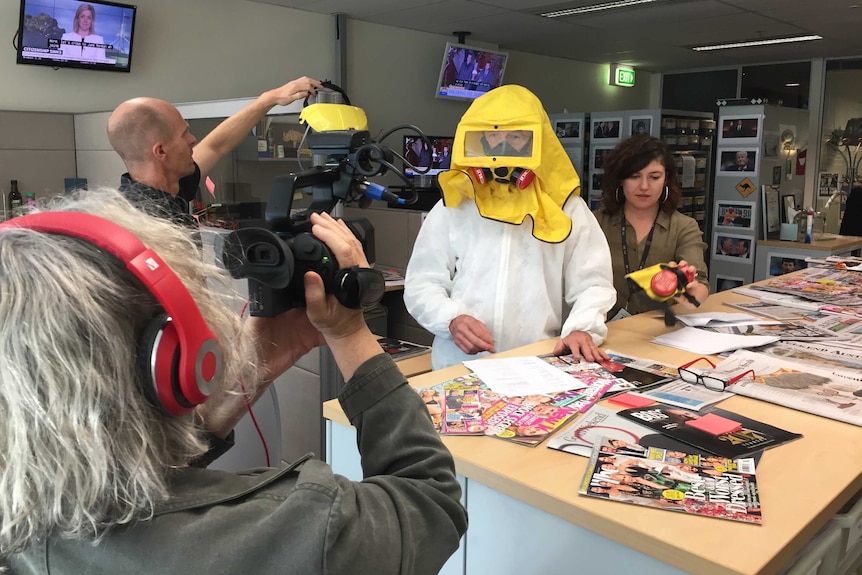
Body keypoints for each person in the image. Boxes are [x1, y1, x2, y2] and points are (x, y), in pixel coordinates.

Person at [0, 188, 468, 573]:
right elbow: (430, 504)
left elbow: (126, 472)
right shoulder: (300, 531)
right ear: (169, 364)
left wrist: (253, 369)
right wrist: (349, 332)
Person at [404, 85, 615, 370]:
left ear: (538, 139)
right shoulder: (456, 204)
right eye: (492, 135)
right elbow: (423, 282)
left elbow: (593, 283)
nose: (501, 146)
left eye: (515, 136)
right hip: (459, 364)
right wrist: (450, 319)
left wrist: (583, 327)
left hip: (537, 362)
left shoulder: (564, 207)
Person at [107, 76, 323, 228]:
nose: (193, 140)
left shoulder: (167, 185)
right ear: (161, 151)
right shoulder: (141, 225)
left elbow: (216, 145)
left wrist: (269, 99)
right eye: (184, 135)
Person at [594, 135, 709, 320]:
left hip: (658, 332)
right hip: (602, 331)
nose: (644, 186)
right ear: (620, 180)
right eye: (634, 176)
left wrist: (689, 291)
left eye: (654, 177)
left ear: (666, 180)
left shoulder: (684, 227)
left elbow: (700, 285)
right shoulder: (595, 223)